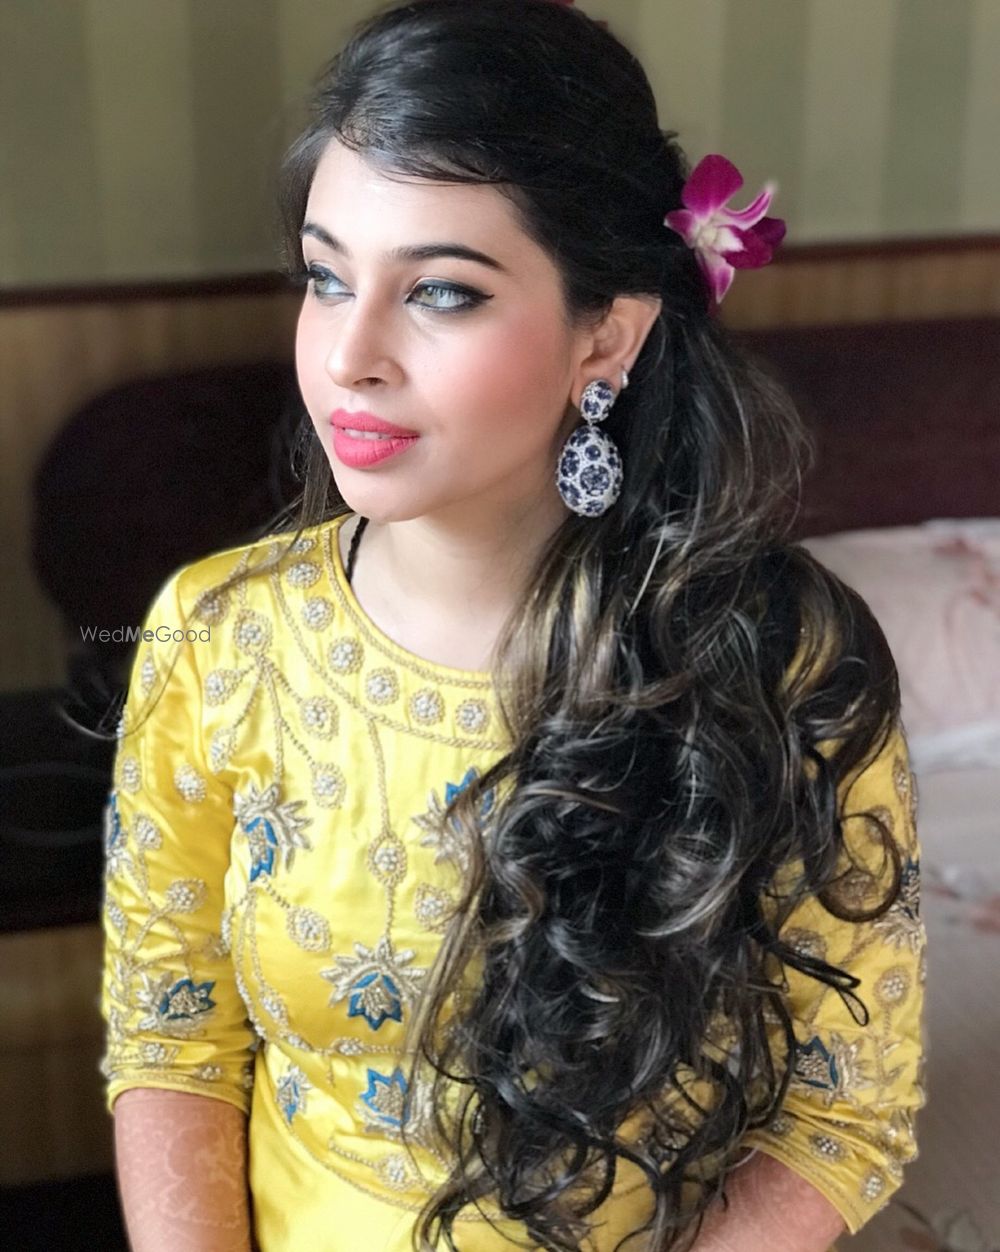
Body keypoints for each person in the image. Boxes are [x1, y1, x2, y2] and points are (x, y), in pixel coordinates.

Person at [98, 2, 925, 1249]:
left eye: (440, 291)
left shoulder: (775, 662)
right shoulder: (215, 635)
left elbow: (840, 1110)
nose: (350, 355)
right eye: (326, 277)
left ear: (608, 335)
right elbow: (171, 1033)